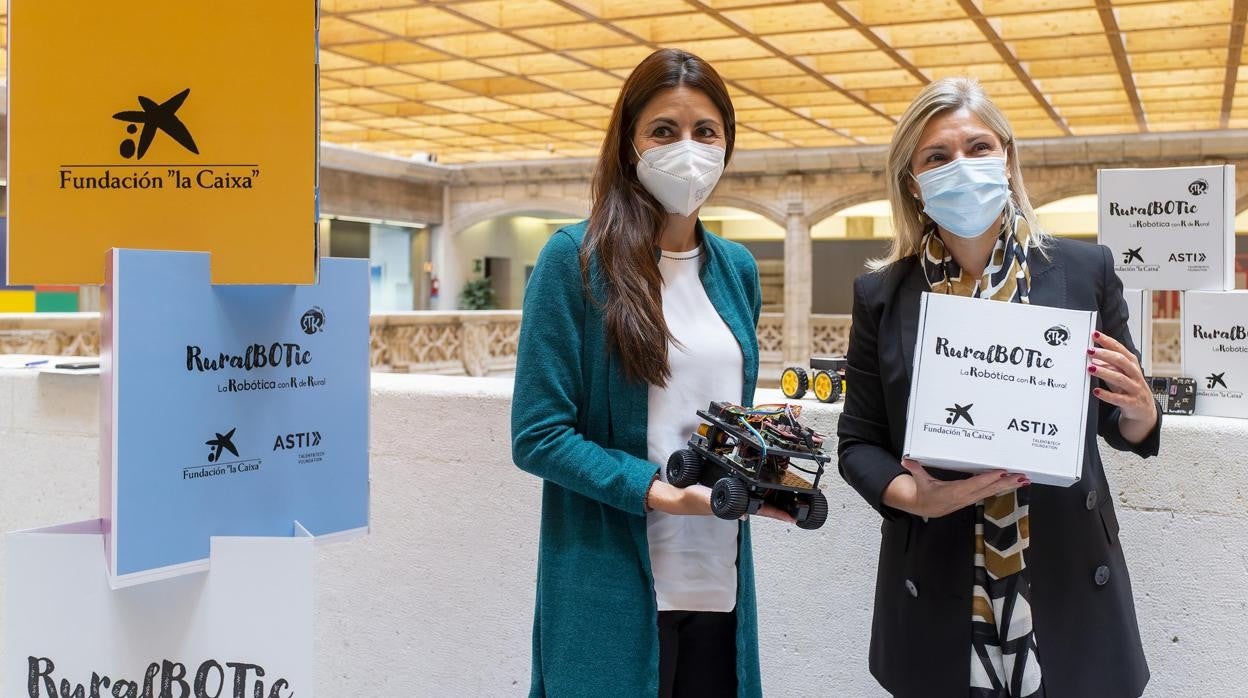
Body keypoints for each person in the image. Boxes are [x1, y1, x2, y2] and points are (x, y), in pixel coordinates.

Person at [837, 77, 1161, 698]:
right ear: (912, 179)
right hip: (936, 584)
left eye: (979, 147)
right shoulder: (882, 294)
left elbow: (1118, 424)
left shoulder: (1083, 272)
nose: (962, 166)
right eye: (937, 156)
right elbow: (857, 443)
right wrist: (915, 496)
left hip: (1064, 580)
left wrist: (1141, 411)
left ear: (1007, 158)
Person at [512, 48, 791, 698]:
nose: (687, 148)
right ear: (629, 144)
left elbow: (718, 420)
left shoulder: (736, 270)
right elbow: (538, 435)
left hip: (718, 581)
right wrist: (660, 491)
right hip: (612, 586)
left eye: (705, 132)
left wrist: (766, 449)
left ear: (727, 144)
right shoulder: (573, 264)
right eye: (664, 130)